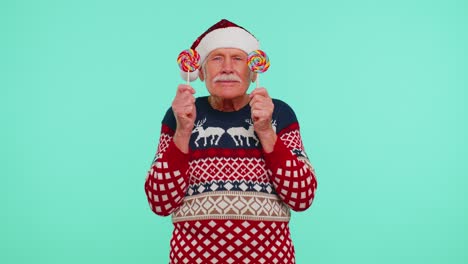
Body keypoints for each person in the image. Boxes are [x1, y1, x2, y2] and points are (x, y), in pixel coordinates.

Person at [144, 19, 317, 264]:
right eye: (216, 58)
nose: (227, 68)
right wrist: (182, 131)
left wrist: (267, 131)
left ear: (254, 70)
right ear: (201, 71)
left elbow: (302, 196)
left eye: (237, 58)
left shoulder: (278, 114)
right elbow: (160, 201)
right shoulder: (180, 114)